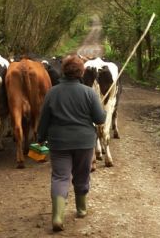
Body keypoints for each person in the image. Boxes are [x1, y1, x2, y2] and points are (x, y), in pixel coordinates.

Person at [37, 54, 106, 232]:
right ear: (81, 72)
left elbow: (44, 119)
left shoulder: (52, 92)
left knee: (60, 177)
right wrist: (102, 109)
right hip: (84, 143)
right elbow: (99, 119)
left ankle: (57, 217)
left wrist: (40, 138)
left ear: (63, 71)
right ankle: (81, 210)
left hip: (59, 143)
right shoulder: (89, 93)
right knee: (82, 175)